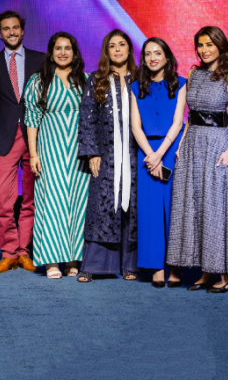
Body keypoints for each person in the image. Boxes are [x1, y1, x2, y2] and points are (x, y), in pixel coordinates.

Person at [167, 26, 228, 293]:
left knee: (217, 208)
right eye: (200, 45)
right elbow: (189, 116)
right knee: (194, 207)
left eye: (209, 44)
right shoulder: (193, 74)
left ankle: (227, 275)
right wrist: (181, 144)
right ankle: (206, 271)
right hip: (192, 143)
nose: (204, 50)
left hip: (217, 143)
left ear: (220, 46)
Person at [24, 32, 89, 279]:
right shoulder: (39, 81)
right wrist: (33, 154)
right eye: (58, 48)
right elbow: (32, 119)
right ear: (51, 52)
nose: (63, 52)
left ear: (74, 52)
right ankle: (51, 261)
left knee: (78, 204)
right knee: (51, 204)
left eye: (68, 48)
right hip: (50, 150)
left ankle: (73, 258)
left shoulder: (85, 79)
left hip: (80, 152)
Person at [0, 11, 44, 273]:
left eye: (16, 27)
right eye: (6, 29)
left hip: (37, 137)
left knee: (32, 199)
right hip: (3, 137)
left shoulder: (43, 60)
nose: (11, 32)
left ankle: (24, 251)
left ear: (23, 30)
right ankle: (8, 252)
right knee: (2, 199)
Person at [78, 30, 139, 283]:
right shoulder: (96, 79)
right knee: (102, 207)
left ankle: (130, 265)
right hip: (106, 153)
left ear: (129, 49)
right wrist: (92, 152)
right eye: (112, 46)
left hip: (136, 154)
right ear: (107, 51)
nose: (117, 49)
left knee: (132, 207)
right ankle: (93, 265)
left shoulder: (141, 78)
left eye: (122, 45)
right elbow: (87, 117)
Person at [131, 38, 187, 288]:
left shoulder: (182, 84)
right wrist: (150, 154)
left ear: (167, 57)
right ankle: (155, 266)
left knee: (174, 209)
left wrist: (159, 154)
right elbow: (135, 126)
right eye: (147, 54)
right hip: (146, 151)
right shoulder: (134, 87)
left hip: (171, 150)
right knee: (150, 211)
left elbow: (177, 123)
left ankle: (174, 266)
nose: (152, 58)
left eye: (158, 53)